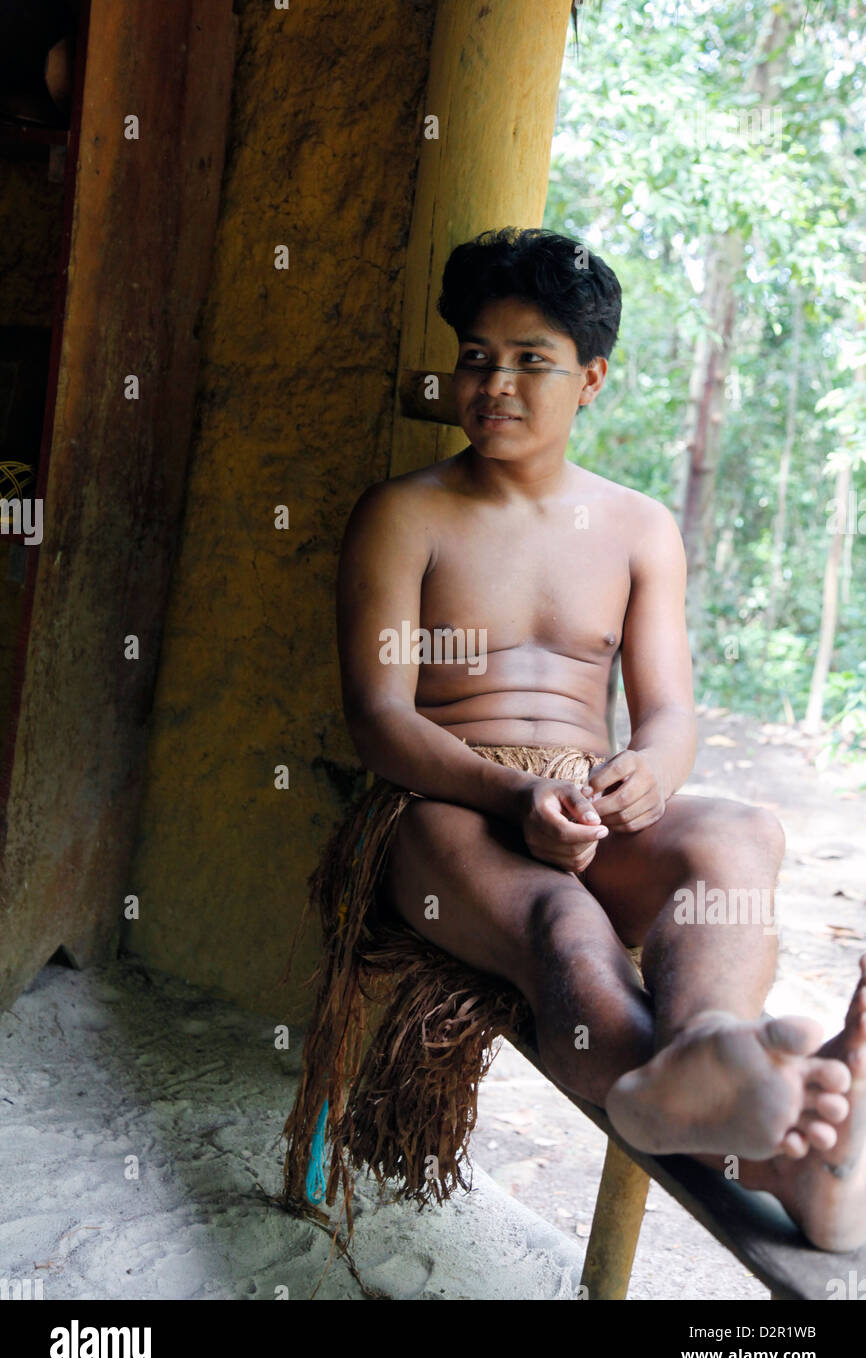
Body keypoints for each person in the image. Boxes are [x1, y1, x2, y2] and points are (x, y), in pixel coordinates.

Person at [283, 226, 865, 1254]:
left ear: (591, 378)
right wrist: (512, 799)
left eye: (530, 360)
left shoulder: (636, 528)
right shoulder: (403, 515)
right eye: (476, 356)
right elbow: (379, 720)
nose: (493, 382)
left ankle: (711, 1057)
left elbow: (669, 712)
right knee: (562, 922)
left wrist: (648, 773)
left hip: (584, 802)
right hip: (445, 809)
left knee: (738, 831)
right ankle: (773, 1151)